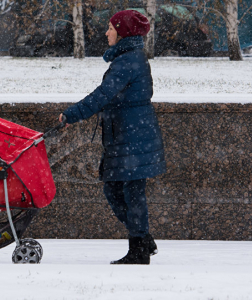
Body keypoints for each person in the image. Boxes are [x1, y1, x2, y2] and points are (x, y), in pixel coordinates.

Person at [59, 10, 166, 264]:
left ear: (123, 32)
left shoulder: (128, 61)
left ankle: (139, 246)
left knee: (129, 192)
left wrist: (71, 115)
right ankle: (142, 240)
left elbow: (102, 95)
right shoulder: (129, 58)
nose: (107, 32)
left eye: (110, 28)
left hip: (132, 136)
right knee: (118, 189)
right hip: (129, 134)